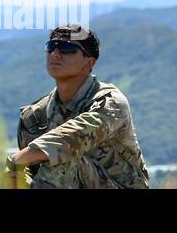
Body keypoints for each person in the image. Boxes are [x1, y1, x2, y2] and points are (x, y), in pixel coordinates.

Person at [9, 24, 149, 188]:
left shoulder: (111, 103)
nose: (55, 54)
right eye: (51, 47)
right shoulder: (35, 117)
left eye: (67, 48)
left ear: (89, 61)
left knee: (62, 159)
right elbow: (30, 171)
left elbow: (73, 136)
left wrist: (19, 159)